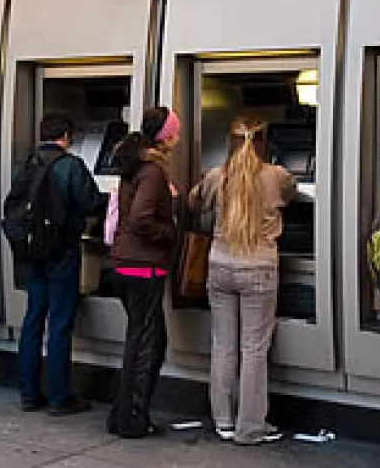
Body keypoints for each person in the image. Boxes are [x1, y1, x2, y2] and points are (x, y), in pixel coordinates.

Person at [192, 117, 297, 445]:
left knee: (223, 346)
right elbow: (295, 193)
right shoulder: (276, 176)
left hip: (220, 265)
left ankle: (222, 420)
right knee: (254, 349)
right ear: (264, 141)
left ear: (231, 141)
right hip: (258, 268)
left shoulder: (216, 176)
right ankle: (249, 427)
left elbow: (194, 202)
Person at [16, 114, 106, 416]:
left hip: (31, 252)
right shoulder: (71, 165)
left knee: (32, 319)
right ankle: (59, 396)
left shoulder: (27, 163)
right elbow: (92, 203)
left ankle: (29, 393)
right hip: (61, 251)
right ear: (66, 136)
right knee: (59, 322)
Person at [106, 107, 180, 438]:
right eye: (175, 131)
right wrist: (171, 232)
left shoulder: (135, 168)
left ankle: (122, 415)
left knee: (143, 340)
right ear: (166, 137)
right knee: (146, 343)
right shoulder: (151, 172)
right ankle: (133, 420)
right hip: (143, 266)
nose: (178, 136)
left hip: (126, 262)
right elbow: (141, 219)